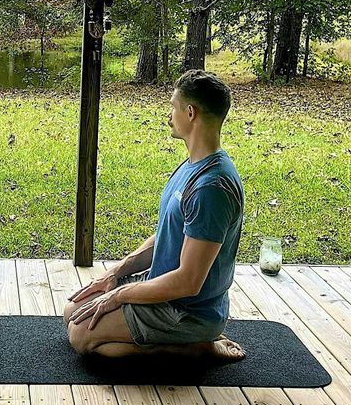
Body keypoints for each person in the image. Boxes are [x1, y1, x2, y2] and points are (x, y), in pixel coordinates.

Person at [64, 70, 246, 362]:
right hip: (163, 289)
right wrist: (116, 274)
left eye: (173, 107)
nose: (168, 115)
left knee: (80, 335)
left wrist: (120, 295)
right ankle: (181, 338)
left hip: (187, 312)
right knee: (72, 312)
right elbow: (166, 235)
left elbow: (188, 282)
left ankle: (197, 346)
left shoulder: (211, 188)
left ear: (190, 113)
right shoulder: (192, 166)